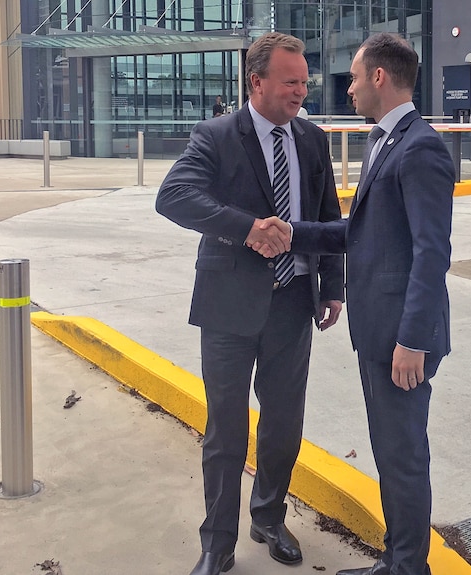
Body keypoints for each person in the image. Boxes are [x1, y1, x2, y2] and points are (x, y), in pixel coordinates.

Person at [254, 32, 455, 575]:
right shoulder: (386, 141)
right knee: (391, 455)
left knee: (403, 459)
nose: (349, 90)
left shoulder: (420, 148)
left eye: (355, 78)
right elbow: (361, 234)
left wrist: (412, 340)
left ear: (380, 78)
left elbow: (432, 255)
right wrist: (291, 233)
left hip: (401, 339)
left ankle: (408, 568)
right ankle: (397, 562)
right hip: (378, 333)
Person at [155, 32, 345, 575]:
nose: (300, 92)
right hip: (228, 307)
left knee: (284, 423)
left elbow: (328, 214)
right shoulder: (216, 135)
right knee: (226, 432)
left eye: (304, 83)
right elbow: (174, 197)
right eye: (290, 82)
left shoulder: (311, 139)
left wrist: (332, 286)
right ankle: (217, 543)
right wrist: (246, 229)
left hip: (292, 304)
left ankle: (268, 516)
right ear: (256, 82)